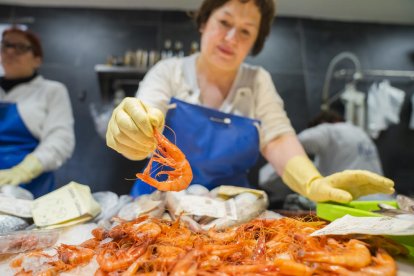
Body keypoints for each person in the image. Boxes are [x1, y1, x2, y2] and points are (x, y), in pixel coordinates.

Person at [106, 0, 394, 202]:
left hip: (230, 213)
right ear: (204, 22)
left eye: (245, 30)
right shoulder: (168, 72)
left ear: (255, 40)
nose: (231, 37)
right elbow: (147, 110)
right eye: (224, 22)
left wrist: (312, 181)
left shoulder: (258, 81)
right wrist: (133, 128)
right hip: (158, 203)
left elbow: (278, 138)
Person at [0, 27, 75, 198]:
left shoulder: (52, 91)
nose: (10, 51)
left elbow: (60, 139)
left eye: (20, 47)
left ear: (37, 60)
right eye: (6, 45)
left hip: (31, 187)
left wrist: (24, 170)